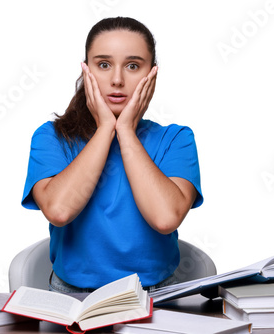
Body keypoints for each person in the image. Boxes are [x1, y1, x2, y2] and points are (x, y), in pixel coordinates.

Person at [21, 17, 203, 293]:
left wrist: (126, 131)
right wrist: (106, 128)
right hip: (72, 295)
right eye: (103, 65)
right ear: (86, 72)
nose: (117, 80)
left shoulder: (176, 139)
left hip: (157, 294)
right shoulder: (51, 138)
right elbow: (59, 211)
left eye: (133, 66)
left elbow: (165, 219)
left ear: (151, 74)